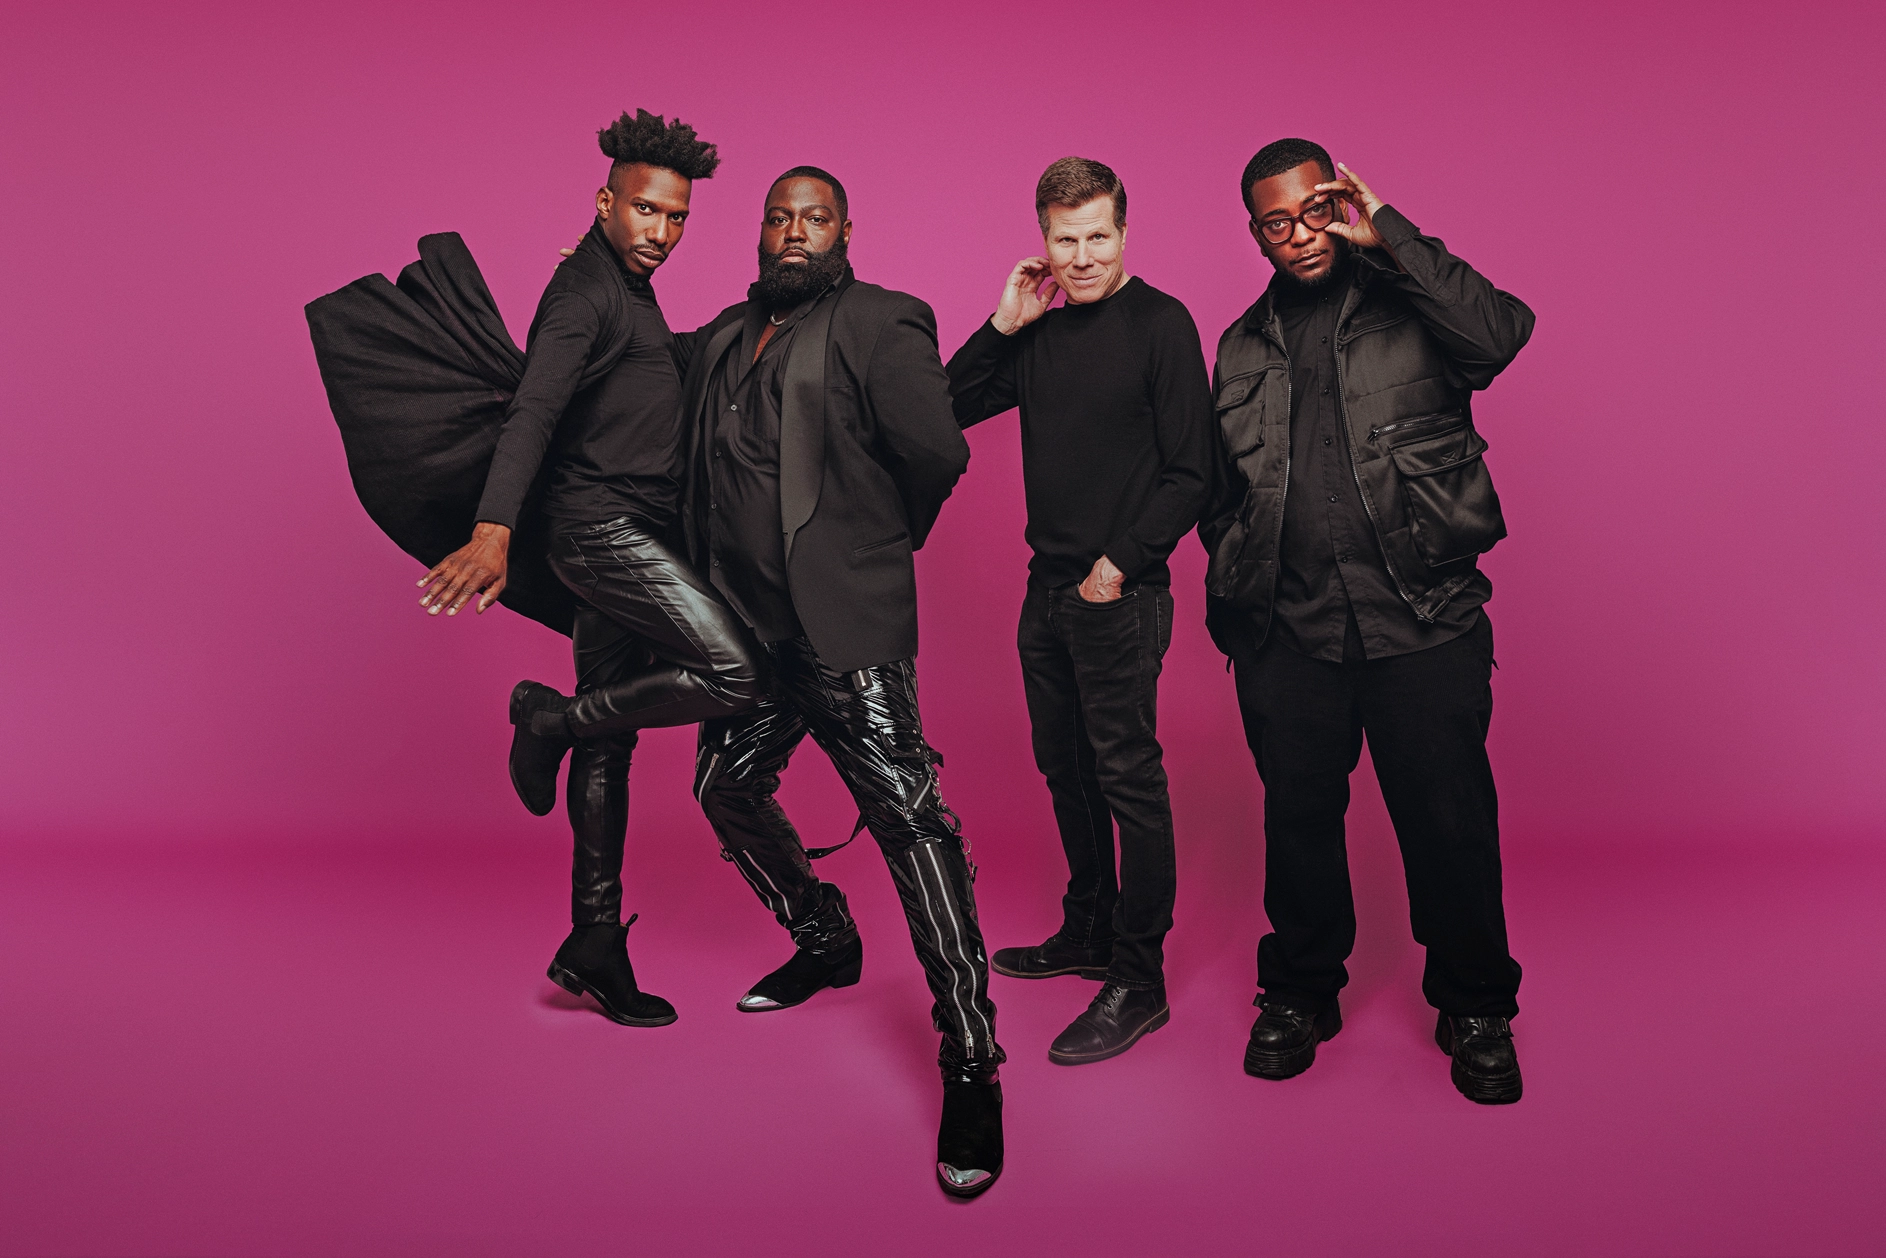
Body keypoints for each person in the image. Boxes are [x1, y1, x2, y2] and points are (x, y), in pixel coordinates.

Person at [673, 167, 1007, 1197]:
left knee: (912, 824)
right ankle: (824, 937)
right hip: (747, 635)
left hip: (844, 632)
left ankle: (970, 1057)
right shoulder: (727, 334)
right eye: (777, 218)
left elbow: (936, 452)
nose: (791, 233)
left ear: (845, 231)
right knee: (722, 787)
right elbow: (633, 374)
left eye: (811, 219)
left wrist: (865, 544)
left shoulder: (879, 319)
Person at [412, 110, 765, 1029]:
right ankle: (547, 717)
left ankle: (594, 943)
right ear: (606, 202)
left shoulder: (629, 289)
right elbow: (533, 409)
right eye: (645, 210)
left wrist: (745, 322)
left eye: (676, 217)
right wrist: (493, 529)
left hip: (635, 525)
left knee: (614, 740)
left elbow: (646, 379)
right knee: (731, 670)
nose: (660, 231)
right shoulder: (585, 293)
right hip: (600, 529)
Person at [1200, 138, 1535, 1103]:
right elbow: (1222, 486)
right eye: (1278, 221)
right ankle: (1302, 991)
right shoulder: (1241, 343)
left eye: (1318, 211)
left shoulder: (1411, 305)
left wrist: (1386, 228)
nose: (1301, 235)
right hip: (1289, 631)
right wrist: (1235, 576)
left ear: (1340, 203)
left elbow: (1501, 335)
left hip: (1422, 621)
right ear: (1256, 231)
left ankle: (1475, 1003)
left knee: (1450, 823)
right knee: (1298, 821)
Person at [946, 157, 1214, 1066]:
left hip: (1118, 594)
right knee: (1065, 770)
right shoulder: (1039, 332)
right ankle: (1089, 929)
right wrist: (1001, 324)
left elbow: (1194, 471)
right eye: (1066, 239)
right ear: (1043, 243)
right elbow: (939, 411)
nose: (1084, 255)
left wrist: (1120, 567)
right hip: (1045, 593)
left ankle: (1140, 978)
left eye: (1099, 235)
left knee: (1128, 779)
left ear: (1125, 232)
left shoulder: (1161, 324)